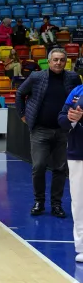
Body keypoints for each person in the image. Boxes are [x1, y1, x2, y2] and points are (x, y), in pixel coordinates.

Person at [16, 48, 81, 217]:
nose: (58, 63)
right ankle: (39, 201)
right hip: (40, 130)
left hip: (64, 131)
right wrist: (22, 115)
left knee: (60, 168)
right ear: (49, 61)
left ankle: (56, 204)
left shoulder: (73, 78)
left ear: (66, 62)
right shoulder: (37, 77)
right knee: (38, 166)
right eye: (55, 59)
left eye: (62, 60)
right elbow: (20, 93)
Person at [57, 85, 83, 263]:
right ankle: (81, 246)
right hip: (77, 153)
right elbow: (61, 118)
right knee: (79, 203)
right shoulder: (77, 91)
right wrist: (70, 118)